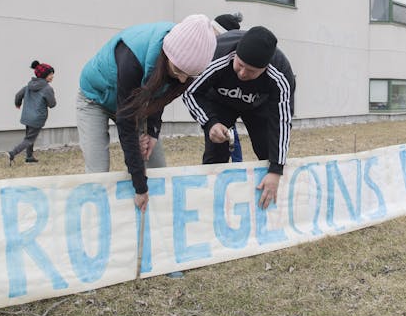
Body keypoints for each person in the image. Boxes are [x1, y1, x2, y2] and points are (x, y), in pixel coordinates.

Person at [77, 14, 216, 211]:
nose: (183, 80)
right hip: (95, 98)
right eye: (178, 70)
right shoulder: (133, 56)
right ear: (167, 55)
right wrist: (140, 186)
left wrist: (152, 132)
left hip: (136, 100)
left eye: (189, 75)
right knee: (98, 171)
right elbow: (126, 122)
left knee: (156, 163)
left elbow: (158, 96)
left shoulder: (180, 67)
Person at [183, 26, 295, 209]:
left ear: (265, 68)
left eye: (251, 71)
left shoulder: (281, 73)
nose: (243, 73)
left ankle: (268, 198)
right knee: (216, 151)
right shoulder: (216, 55)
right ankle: (211, 202)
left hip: (259, 104)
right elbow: (190, 92)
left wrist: (276, 169)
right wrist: (210, 123)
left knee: (267, 149)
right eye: (240, 65)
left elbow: (282, 121)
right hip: (220, 101)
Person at [8, 60, 57, 165]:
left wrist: (18, 104)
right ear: (44, 76)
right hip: (37, 118)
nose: (52, 76)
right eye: (50, 74)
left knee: (29, 137)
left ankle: (29, 157)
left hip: (27, 116)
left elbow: (18, 95)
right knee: (29, 139)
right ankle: (12, 153)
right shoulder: (47, 88)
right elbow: (52, 104)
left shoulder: (29, 86)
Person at [212, 12, 244, 162]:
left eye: (214, 31)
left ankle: (237, 163)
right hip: (214, 101)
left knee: (229, 133)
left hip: (226, 101)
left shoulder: (228, 54)